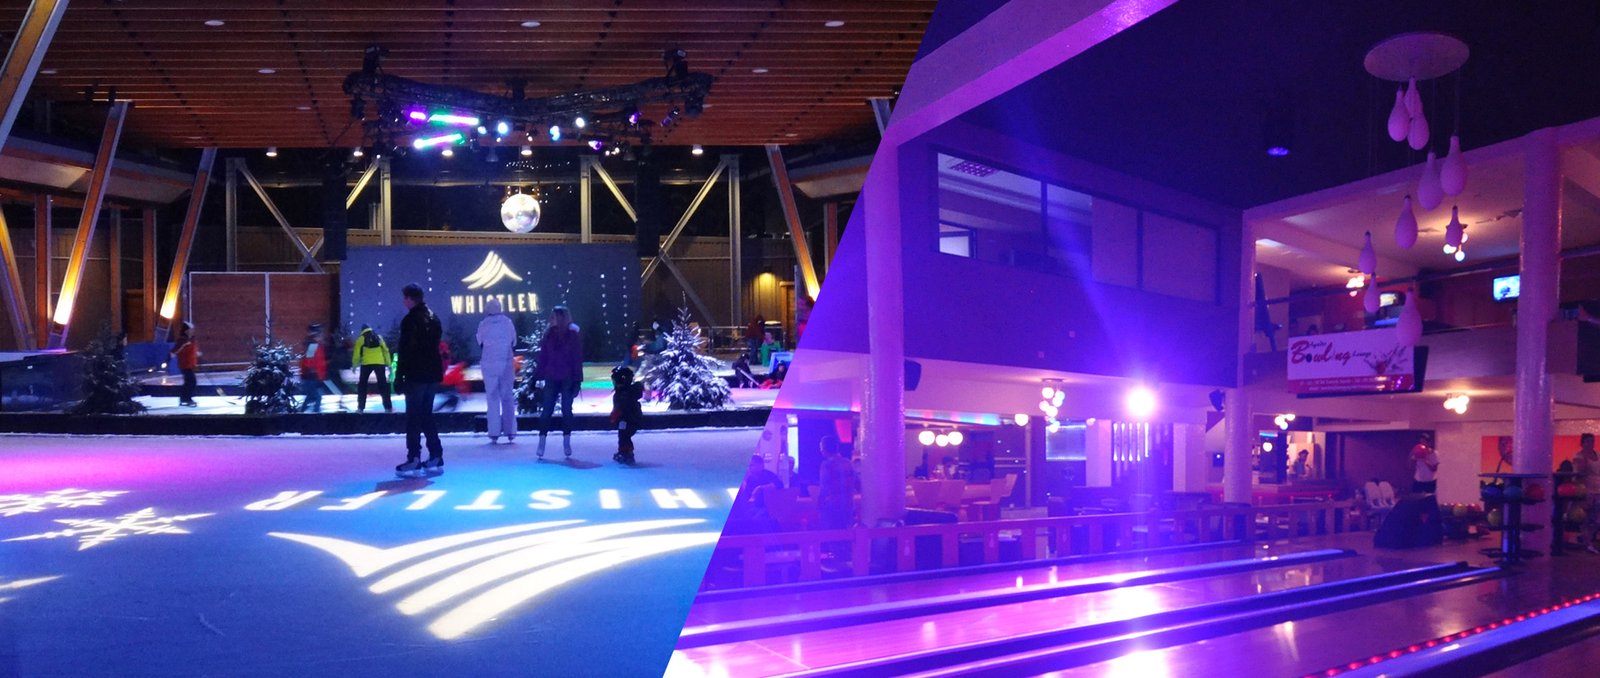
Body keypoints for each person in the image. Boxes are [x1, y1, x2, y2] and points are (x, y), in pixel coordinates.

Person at [394, 283, 445, 476]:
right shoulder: (433, 317)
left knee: (414, 417)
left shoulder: (410, 320)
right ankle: (436, 454)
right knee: (426, 415)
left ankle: (414, 457)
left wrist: (399, 376)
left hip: (416, 374)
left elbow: (406, 350)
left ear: (410, 298)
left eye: (405, 297)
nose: (403, 301)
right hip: (432, 374)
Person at [535, 305, 584, 459]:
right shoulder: (548, 335)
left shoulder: (572, 336)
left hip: (567, 377)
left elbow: (577, 358)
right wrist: (537, 377)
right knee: (546, 410)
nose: (552, 319)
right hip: (551, 376)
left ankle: (566, 442)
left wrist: (577, 381)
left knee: (566, 410)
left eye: (555, 316)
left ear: (562, 318)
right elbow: (543, 357)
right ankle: (542, 442)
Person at [473, 298, 519, 443]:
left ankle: (494, 432)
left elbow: (480, 342)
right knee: (507, 397)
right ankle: (510, 431)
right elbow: (514, 341)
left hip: (489, 364)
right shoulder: (508, 323)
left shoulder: (483, 324)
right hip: (506, 364)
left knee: (492, 398)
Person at [817, 437, 856, 530]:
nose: (821, 451)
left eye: (821, 448)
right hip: (847, 506)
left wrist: (819, 505)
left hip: (831, 509)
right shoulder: (848, 463)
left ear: (825, 449)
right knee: (846, 534)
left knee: (831, 535)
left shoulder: (826, 465)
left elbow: (824, 488)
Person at [351, 325, 393, 413]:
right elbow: (385, 351)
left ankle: (360, 408)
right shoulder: (379, 337)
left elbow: (356, 353)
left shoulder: (361, 339)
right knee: (383, 385)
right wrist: (389, 364)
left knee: (362, 385)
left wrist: (354, 365)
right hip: (379, 363)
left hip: (366, 364)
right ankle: (388, 407)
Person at [610, 365, 645, 465]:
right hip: (627, 419)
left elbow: (622, 408)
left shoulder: (624, 394)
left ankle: (627, 453)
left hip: (628, 420)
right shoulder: (623, 393)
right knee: (623, 436)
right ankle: (624, 452)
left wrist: (616, 416)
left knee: (624, 436)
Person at [1572, 433, 1600, 554]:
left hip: (1598, 489)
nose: (1590, 444)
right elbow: (1580, 472)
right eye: (1587, 441)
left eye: (1592, 441)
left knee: (1597, 519)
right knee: (1585, 517)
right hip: (1585, 490)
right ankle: (1588, 543)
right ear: (1582, 443)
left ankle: (1584, 539)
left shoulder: (1598, 454)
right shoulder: (1579, 456)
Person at [170, 322, 199, 407]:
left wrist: (197, 354)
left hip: (190, 364)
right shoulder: (183, 340)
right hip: (185, 365)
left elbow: (191, 351)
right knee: (191, 382)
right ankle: (186, 399)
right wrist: (170, 356)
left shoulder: (191, 340)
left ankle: (184, 398)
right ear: (186, 331)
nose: (192, 331)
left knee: (190, 382)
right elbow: (174, 350)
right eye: (191, 329)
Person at [300, 324, 327, 412]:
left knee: (312, 396)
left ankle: (304, 412)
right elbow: (309, 360)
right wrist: (313, 371)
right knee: (316, 396)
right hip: (312, 376)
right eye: (321, 334)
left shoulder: (315, 345)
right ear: (317, 334)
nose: (322, 335)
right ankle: (314, 413)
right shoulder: (313, 345)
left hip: (313, 375)